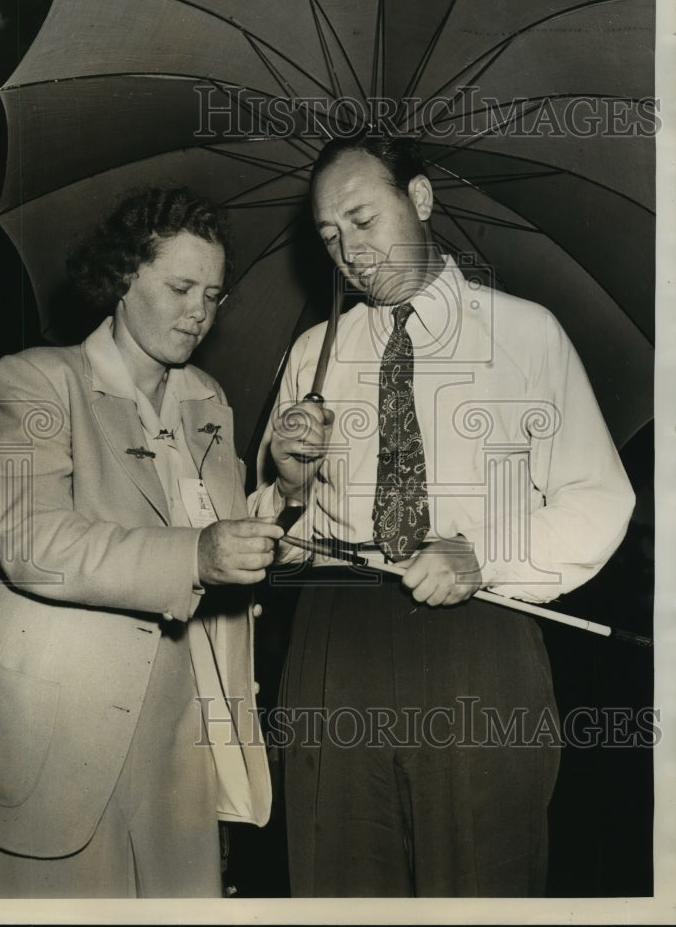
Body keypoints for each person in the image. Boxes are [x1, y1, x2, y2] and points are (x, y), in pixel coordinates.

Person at [251, 133, 635, 897]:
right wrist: (289, 487)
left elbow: (599, 500)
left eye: (362, 220)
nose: (349, 252)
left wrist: (482, 554)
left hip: (481, 642)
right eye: (329, 236)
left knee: (482, 887)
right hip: (335, 648)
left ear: (420, 200)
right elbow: (271, 539)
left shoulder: (526, 334)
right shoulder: (311, 355)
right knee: (339, 888)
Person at [0, 186, 283, 898]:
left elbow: (220, 534)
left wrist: (287, 487)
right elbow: (32, 542)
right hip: (50, 746)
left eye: (214, 294)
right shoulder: (36, 380)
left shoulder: (209, 401)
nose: (200, 310)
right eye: (181, 286)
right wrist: (194, 556)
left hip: (175, 761)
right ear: (123, 277)